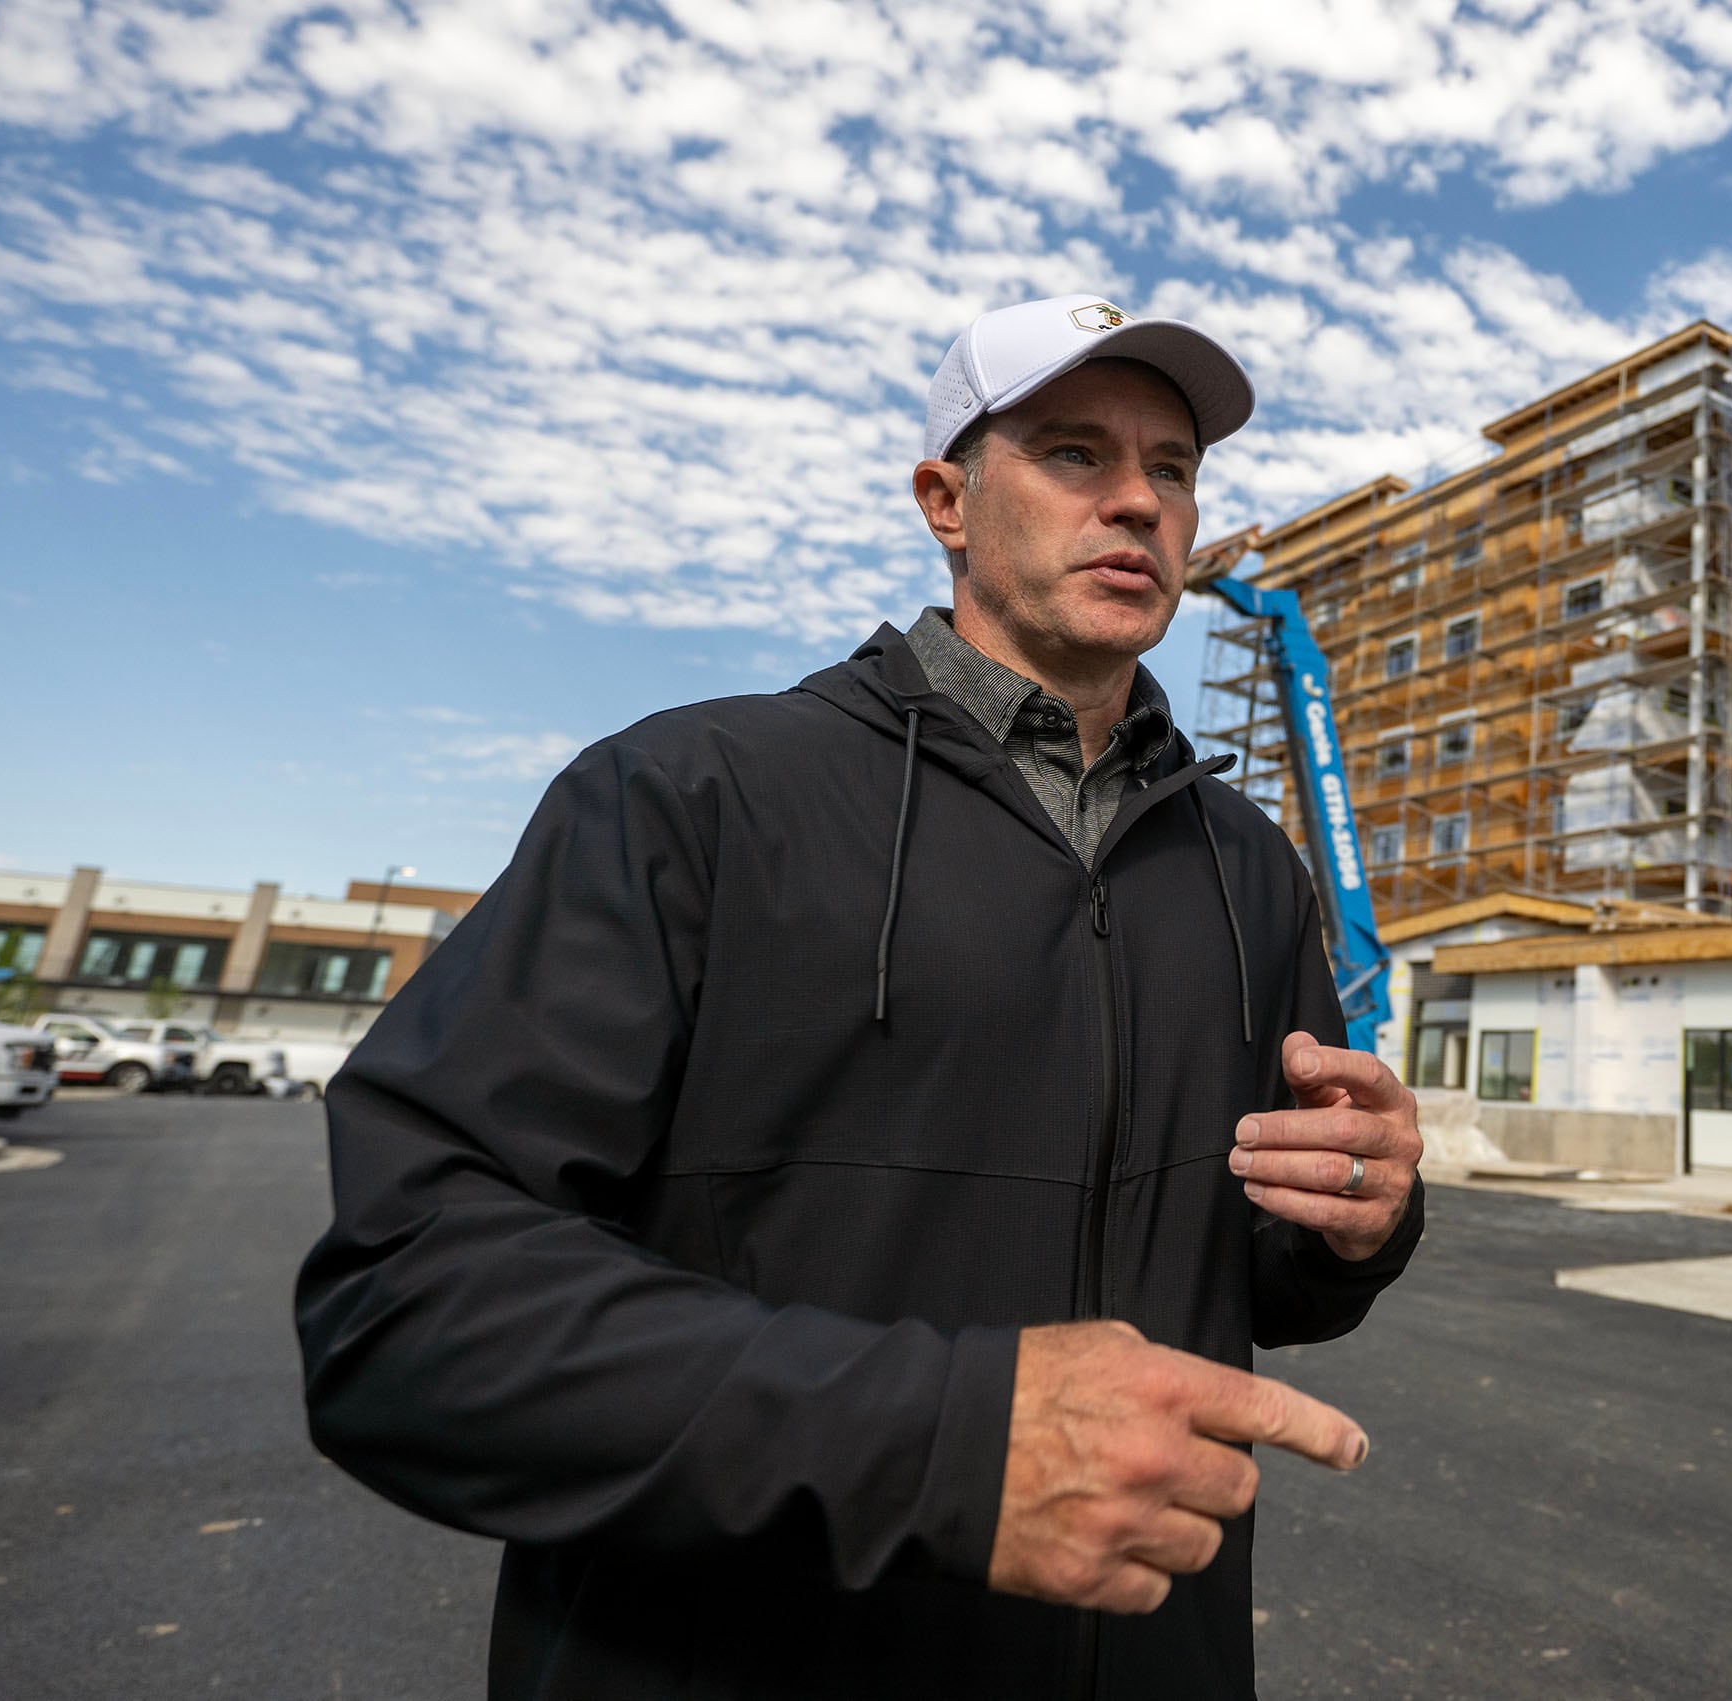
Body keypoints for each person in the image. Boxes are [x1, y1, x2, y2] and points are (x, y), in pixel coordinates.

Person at [295, 294, 1426, 1699]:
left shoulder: (1245, 866)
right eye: (1075, 453)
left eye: (1174, 468)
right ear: (946, 500)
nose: (1139, 500)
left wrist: (1357, 1222)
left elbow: (1259, 1274)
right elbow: (407, 1307)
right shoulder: (689, 799)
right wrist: (940, 1441)